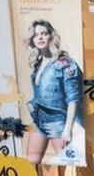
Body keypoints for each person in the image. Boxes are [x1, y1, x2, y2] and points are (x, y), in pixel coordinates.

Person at [23, 19, 82, 164]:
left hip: (58, 122)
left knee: (69, 167)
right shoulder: (37, 64)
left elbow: (73, 99)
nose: (40, 38)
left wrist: (67, 130)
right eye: (36, 35)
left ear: (51, 36)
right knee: (30, 165)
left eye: (44, 33)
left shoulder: (65, 63)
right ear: (32, 40)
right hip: (39, 121)